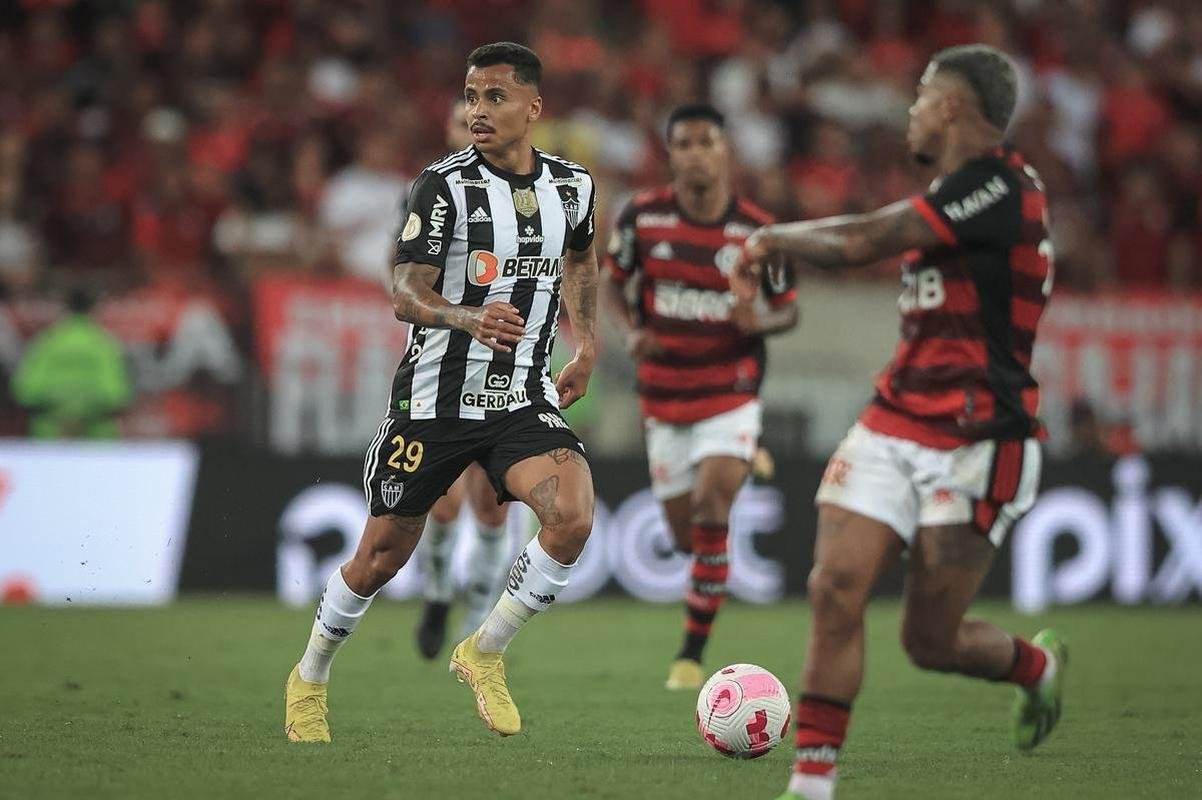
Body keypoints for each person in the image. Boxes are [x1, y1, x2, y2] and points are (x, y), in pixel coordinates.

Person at [730, 45, 1066, 800]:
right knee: (833, 587)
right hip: (894, 419)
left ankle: (1037, 667)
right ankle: (812, 783)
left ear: (950, 107)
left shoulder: (1002, 187)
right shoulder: (955, 194)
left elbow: (860, 243)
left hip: (979, 435)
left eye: (919, 96)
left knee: (930, 641)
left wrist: (771, 237)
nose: (910, 111)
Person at [284, 42, 599, 742]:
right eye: (470, 96)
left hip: (521, 398)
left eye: (494, 97)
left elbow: (581, 260)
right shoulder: (442, 185)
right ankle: (309, 675)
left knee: (573, 516)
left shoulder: (573, 186)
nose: (477, 110)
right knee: (378, 558)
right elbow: (404, 291)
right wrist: (466, 317)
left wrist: (587, 346)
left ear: (533, 107)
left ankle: (484, 650)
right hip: (434, 405)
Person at [601, 103, 798, 690]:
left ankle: (690, 655)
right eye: (682, 144)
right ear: (671, 154)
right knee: (687, 538)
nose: (694, 154)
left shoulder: (759, 234)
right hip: (664, 398)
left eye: (705, 142)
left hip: (729, 391)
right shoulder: (642, 217)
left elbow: (788, 311)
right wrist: (629, 332)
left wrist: (757, 320)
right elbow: (611, 285)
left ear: (725, 150)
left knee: (714, 510)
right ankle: (746, 455)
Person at [412, 98, 515, 661]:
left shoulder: (526, 194)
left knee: (492, 507)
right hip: (444, 368)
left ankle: (476, 619)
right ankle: (435, 592)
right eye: (460, 121)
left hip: (504, 366)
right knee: (444, 503)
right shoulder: (430, 195)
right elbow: (403, 281)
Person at [11, 288, 132, 438]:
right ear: (94, 310)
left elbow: (26, 391)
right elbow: (117, 394)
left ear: (63, 310)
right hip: (95, 434)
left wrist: (61, 409)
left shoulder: (46, 342)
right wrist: (84, 409)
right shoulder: (104, 344)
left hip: (51, 432)